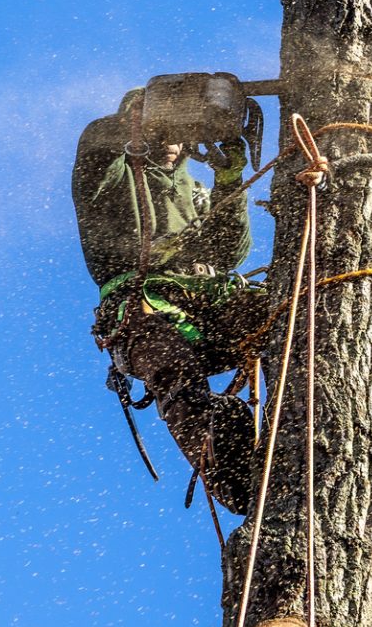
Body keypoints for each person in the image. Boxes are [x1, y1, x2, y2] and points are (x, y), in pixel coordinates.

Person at [71, 89, 265, 514]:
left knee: (286, 311)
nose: (171, 141)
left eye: (178, 132)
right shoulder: (110, 179)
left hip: (209, 303)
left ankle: (300, 434)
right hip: (144, 308)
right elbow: (95, 147)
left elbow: (229, 252)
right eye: (164, 129)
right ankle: (232, 472)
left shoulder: (194, 191)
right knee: (173, 370)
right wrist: (141, 119)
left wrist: (230, 177)